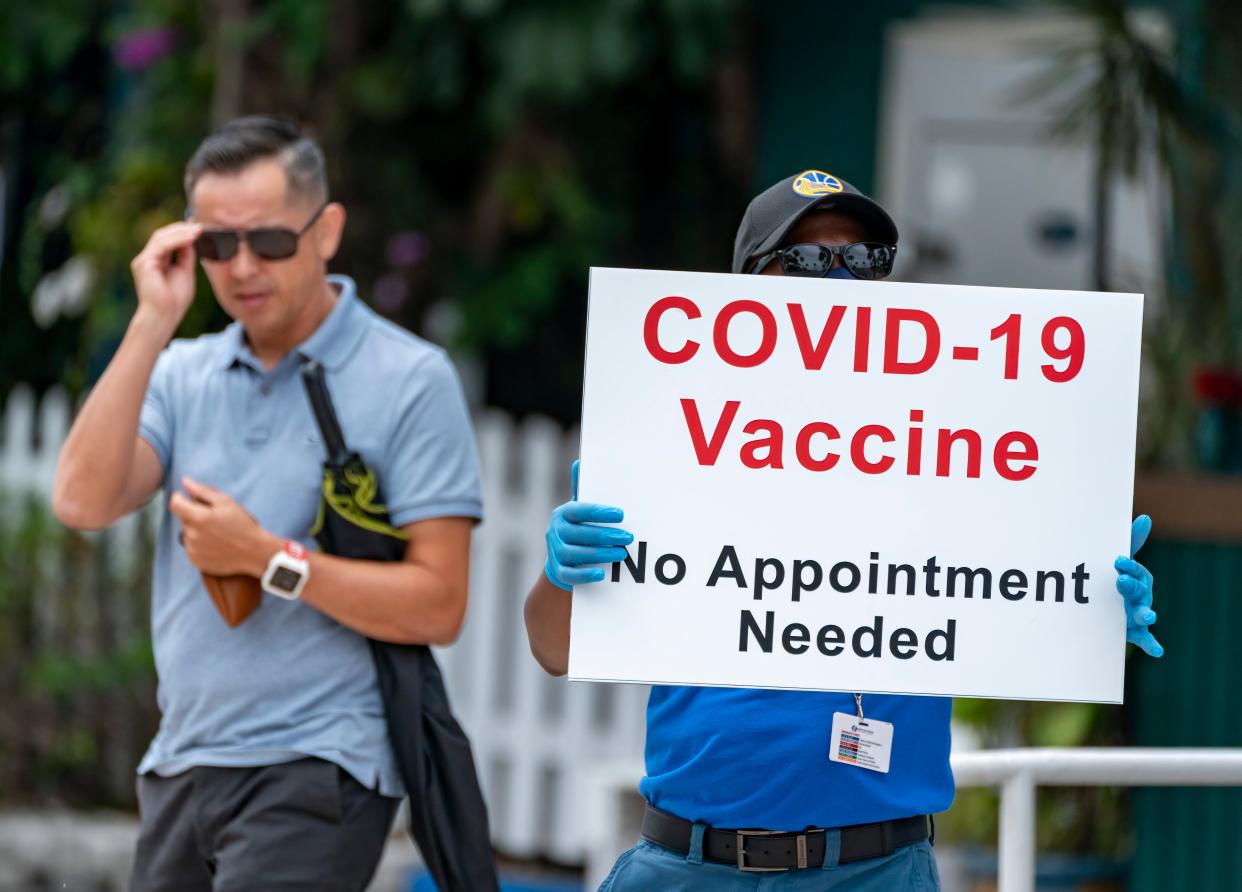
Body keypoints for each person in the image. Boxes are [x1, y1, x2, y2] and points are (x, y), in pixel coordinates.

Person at [523, 170, 1162, 890]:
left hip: (873, 872)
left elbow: (1009, 610)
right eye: (802, 260)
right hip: (687, 866)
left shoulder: (956, 450)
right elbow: (551, 646)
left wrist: (1089, 605)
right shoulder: (667, 443)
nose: (836, 280)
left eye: (860, 261)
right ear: (743, 290)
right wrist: (562, 571)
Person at [52, 116, 483, 891]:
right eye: (217, 245)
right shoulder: (183, 372)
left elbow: (438, 604)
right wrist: (152, 320)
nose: (243, 267)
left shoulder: (409, 379)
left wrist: (267, 560)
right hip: (182, 761)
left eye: (271, 242)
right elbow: (82, 500)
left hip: (318, 767)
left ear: (327, 232)